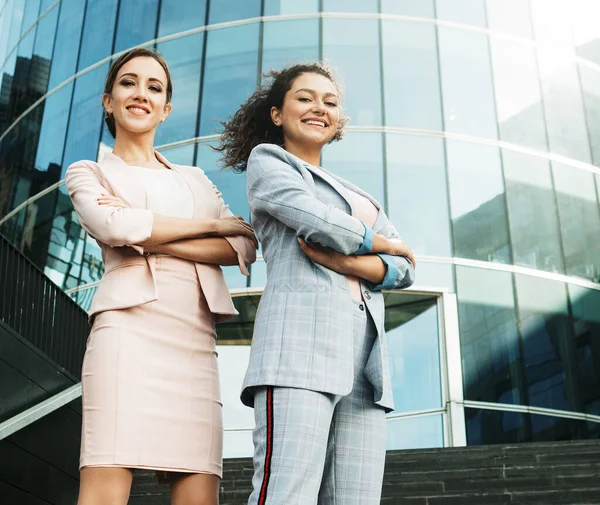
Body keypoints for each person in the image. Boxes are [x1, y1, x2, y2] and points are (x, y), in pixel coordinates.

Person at [217, 62, 416, 505]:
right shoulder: (270, 163)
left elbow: (405, 269)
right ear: (277, 114)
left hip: (365, 369)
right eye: (305, 98)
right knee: (286, 496)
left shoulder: (361, 195)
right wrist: (378, 242)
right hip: (298, 354)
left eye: (330, 102)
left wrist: (351, 264)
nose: (319, 108)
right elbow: (315, 221)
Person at [65, 47, 257, 505]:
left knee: (199, 489)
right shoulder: (88, 171)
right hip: (125, 334)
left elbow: (244, 245)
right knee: (105, 484)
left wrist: (144, 232)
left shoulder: (193, 179)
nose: (141, 94)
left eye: (154, 88)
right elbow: (113, 226)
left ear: (166, 109)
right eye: (128, 83)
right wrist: (210, 225)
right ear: (108, 101)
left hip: (193, 342)